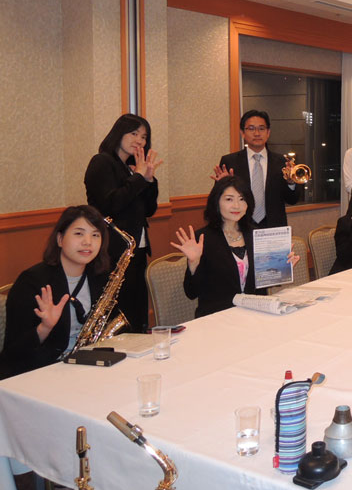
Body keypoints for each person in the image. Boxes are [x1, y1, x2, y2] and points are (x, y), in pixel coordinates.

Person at [1, 206, 110, 379]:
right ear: (60, 239)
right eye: (79, 233)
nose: (88, 242)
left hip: (87, 366)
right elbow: (14, 352)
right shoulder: (31, 282)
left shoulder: (100, 277)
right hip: (41, 372)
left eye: (95, 235)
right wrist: (45, 327)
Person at [173, 175, 299, 318]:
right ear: (216, 202)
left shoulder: (256, 235)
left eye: (242, 199)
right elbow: (191, 293)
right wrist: (194, 263)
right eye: (229, 199)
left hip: (254, 314)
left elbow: (260, 284)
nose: (236, 206)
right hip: (217, 317)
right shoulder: (202, 239)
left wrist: (281, 268)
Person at [84, 113, 161, 333]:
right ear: (119, 133)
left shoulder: (132, 167)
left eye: (144, 137)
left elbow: (149, 209)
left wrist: (149, 180)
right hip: (112, 251)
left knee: (137, 311)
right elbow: (110, 204)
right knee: (117, 312)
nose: (140, 140)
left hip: (136, 249)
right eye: (134, 133)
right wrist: (138, 177)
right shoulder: (102, 162)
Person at [214, 110, 301, 229]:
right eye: (251, 129)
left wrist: (291, 183)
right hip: (240, 226)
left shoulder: (282, 162)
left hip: (274, 228)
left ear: (268, 132)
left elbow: (292, 200)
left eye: (261, 128)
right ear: (242, 133)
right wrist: (223, 186)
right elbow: (217, 202)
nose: (257, 133)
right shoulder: (230, 161)